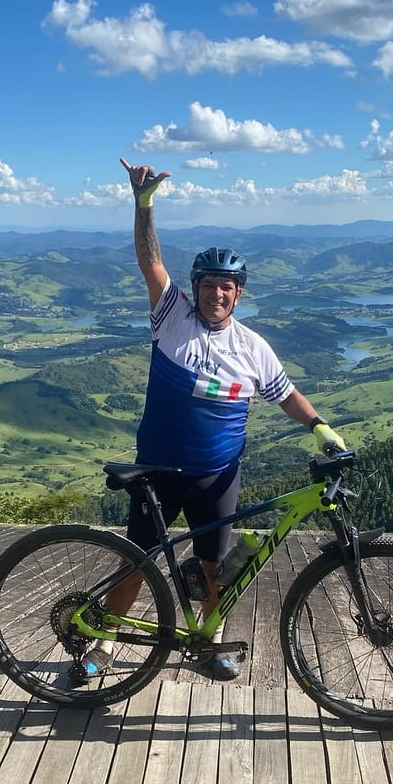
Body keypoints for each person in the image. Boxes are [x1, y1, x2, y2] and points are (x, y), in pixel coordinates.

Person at [71, 157, 347, 685]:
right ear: (194, 288)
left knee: (215, 565)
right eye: (208, 285)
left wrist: (319, 427)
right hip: (158, 469)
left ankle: (211, 642)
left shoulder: (253, 348)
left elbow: (285, 394)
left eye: (226, 287)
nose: (215, 294)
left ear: (238, 293)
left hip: (217, 474)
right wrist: (144, 204)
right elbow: (149, 262)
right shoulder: (172, 316)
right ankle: (104, 642)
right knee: (138, 560)